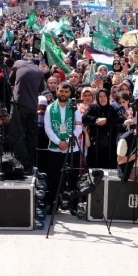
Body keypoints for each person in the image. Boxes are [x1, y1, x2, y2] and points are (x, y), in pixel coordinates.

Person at [43, 82, 82, 212]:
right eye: (61, 91)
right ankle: (54, 204)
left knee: (73, 177)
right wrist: (59, 141)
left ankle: (74, 205)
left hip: (72, 148)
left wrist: (68, 140)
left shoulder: (74, 108)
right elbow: (48, 128)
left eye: (66, 92)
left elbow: (78, 126)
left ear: (70, 93)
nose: (63, 94)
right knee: (55, 178)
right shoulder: (50, 108)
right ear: (57, 91)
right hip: (55, 148)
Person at [9, 55, 46, 172]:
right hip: (33, 107)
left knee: (16, 134)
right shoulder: (39, 71)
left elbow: (10, 80)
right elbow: (42, 88)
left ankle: (22, 163)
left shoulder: (19, 63)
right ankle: (30, 162)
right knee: (31, 135)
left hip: (19, 104)